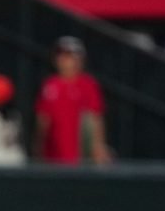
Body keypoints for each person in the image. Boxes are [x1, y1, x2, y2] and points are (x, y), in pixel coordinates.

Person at [34, 36, 111, 165]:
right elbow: (42, 120)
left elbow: (95, 119)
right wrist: (38, 148)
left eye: (69, 56)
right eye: (61, 55)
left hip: (80, 158)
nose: (64, 60)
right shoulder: (49, 85)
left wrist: (98, 147)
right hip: (52, 157)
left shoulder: (88, 85)